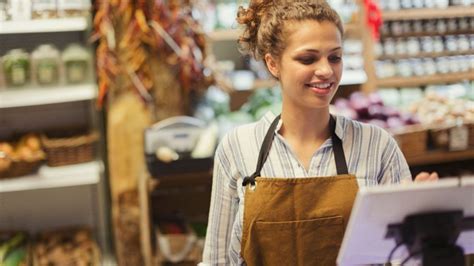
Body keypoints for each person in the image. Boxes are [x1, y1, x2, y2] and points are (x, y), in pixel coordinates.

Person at [201, 0, 438, 265]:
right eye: (308, 58)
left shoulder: (378, 146)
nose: (326, 70)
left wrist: (420, 231)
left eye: (335, 57)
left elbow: (401, 260)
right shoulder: (238, 147)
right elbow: (217, 260)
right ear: (273, 64)